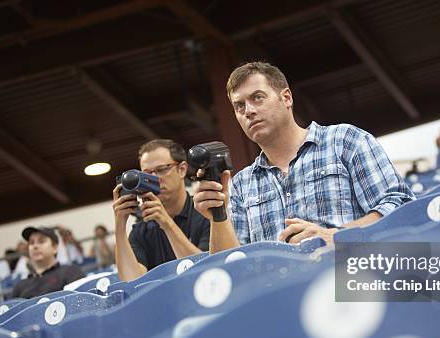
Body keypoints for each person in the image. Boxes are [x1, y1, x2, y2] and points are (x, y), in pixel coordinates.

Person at [193, 61, 414, 253]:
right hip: (281, 297)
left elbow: (401, 207)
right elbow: (233, 266)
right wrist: (217, 216)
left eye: (257, 98)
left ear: (286, 98)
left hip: (350, 284)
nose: (248, 110)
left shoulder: (345, 139)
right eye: (239, 106)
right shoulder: (241, 184)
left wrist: (336, 237)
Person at [112, 139, 210, 281]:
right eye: (147, 173)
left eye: (161, 170)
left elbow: (207, 270)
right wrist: (120, 228)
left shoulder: (206, 210)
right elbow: (131, 281)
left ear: (182, 169)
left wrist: (166, 223)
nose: (154, 179)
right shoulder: (142, 229)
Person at [12, 227, 84, 299]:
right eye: (31, 243)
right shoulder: (20, 286)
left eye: (41, 241)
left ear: (55, 248)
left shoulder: (70, 272)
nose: (35, 246)